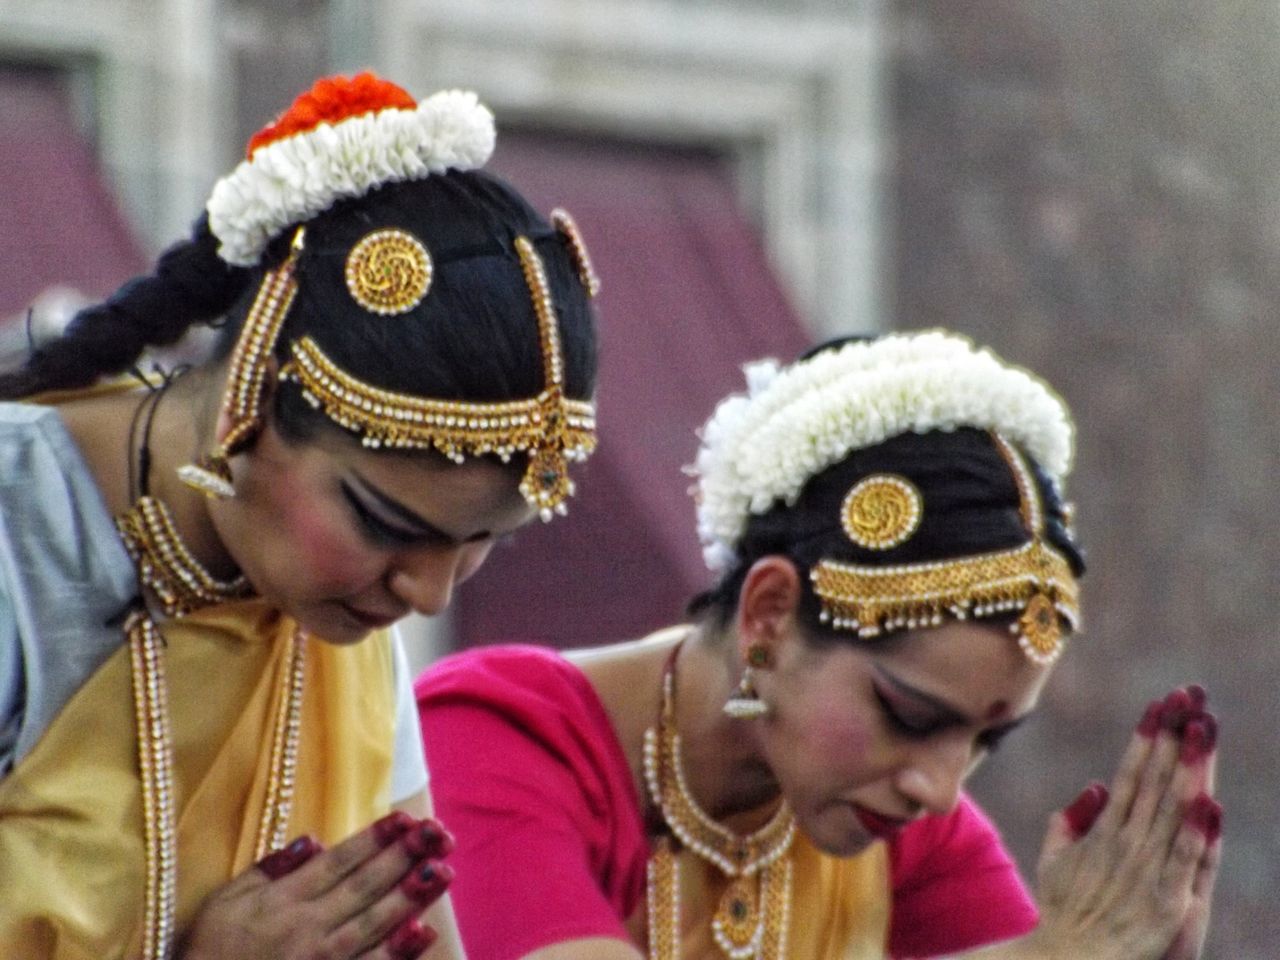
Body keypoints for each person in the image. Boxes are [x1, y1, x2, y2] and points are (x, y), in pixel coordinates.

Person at [0, 71, 600, 960]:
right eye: (385, 520)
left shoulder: (340, 613)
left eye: (479, 545)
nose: (427, 593)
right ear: (253, 394)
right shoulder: (19, 532)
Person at [416, 330, 1222, 960]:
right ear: (768, 613)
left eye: (986, 740)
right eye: (909, 714)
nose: (940, 789)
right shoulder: (491, 741)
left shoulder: (906, 830)